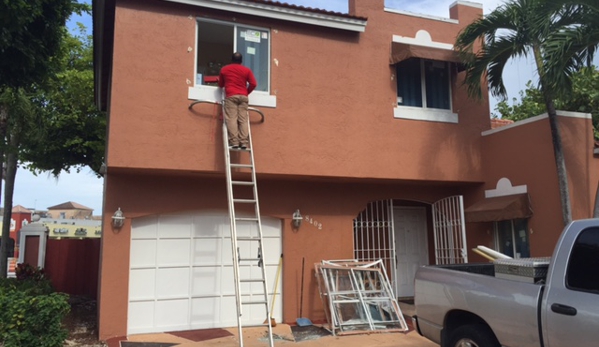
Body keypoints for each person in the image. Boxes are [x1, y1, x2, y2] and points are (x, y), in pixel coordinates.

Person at [218, 52, 257, 150]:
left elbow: (220, 84)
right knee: (243, 120)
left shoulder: (225, 69)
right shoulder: (246, 70)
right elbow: (253, 83)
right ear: (241, 61)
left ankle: (234, 141)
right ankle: (243, 142)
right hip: (243, 97)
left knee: (232, 119)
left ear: (231, 60)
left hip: (231, 96)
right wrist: (246, 92)